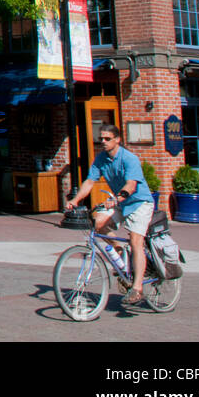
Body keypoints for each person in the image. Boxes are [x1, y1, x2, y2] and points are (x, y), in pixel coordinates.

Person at [64, 124, 155, 305]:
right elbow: (90, 182)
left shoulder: (129, 159)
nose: (103, 142)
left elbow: (131, 185)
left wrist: (116, 199)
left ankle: (137, 288)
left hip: (139, 203)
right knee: (98, 223)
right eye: (101, 139)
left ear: (117, 139)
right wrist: (75, 200)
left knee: (136, 240)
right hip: (120, 203)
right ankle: (120, 251)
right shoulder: (101, 159)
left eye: (107, 139)